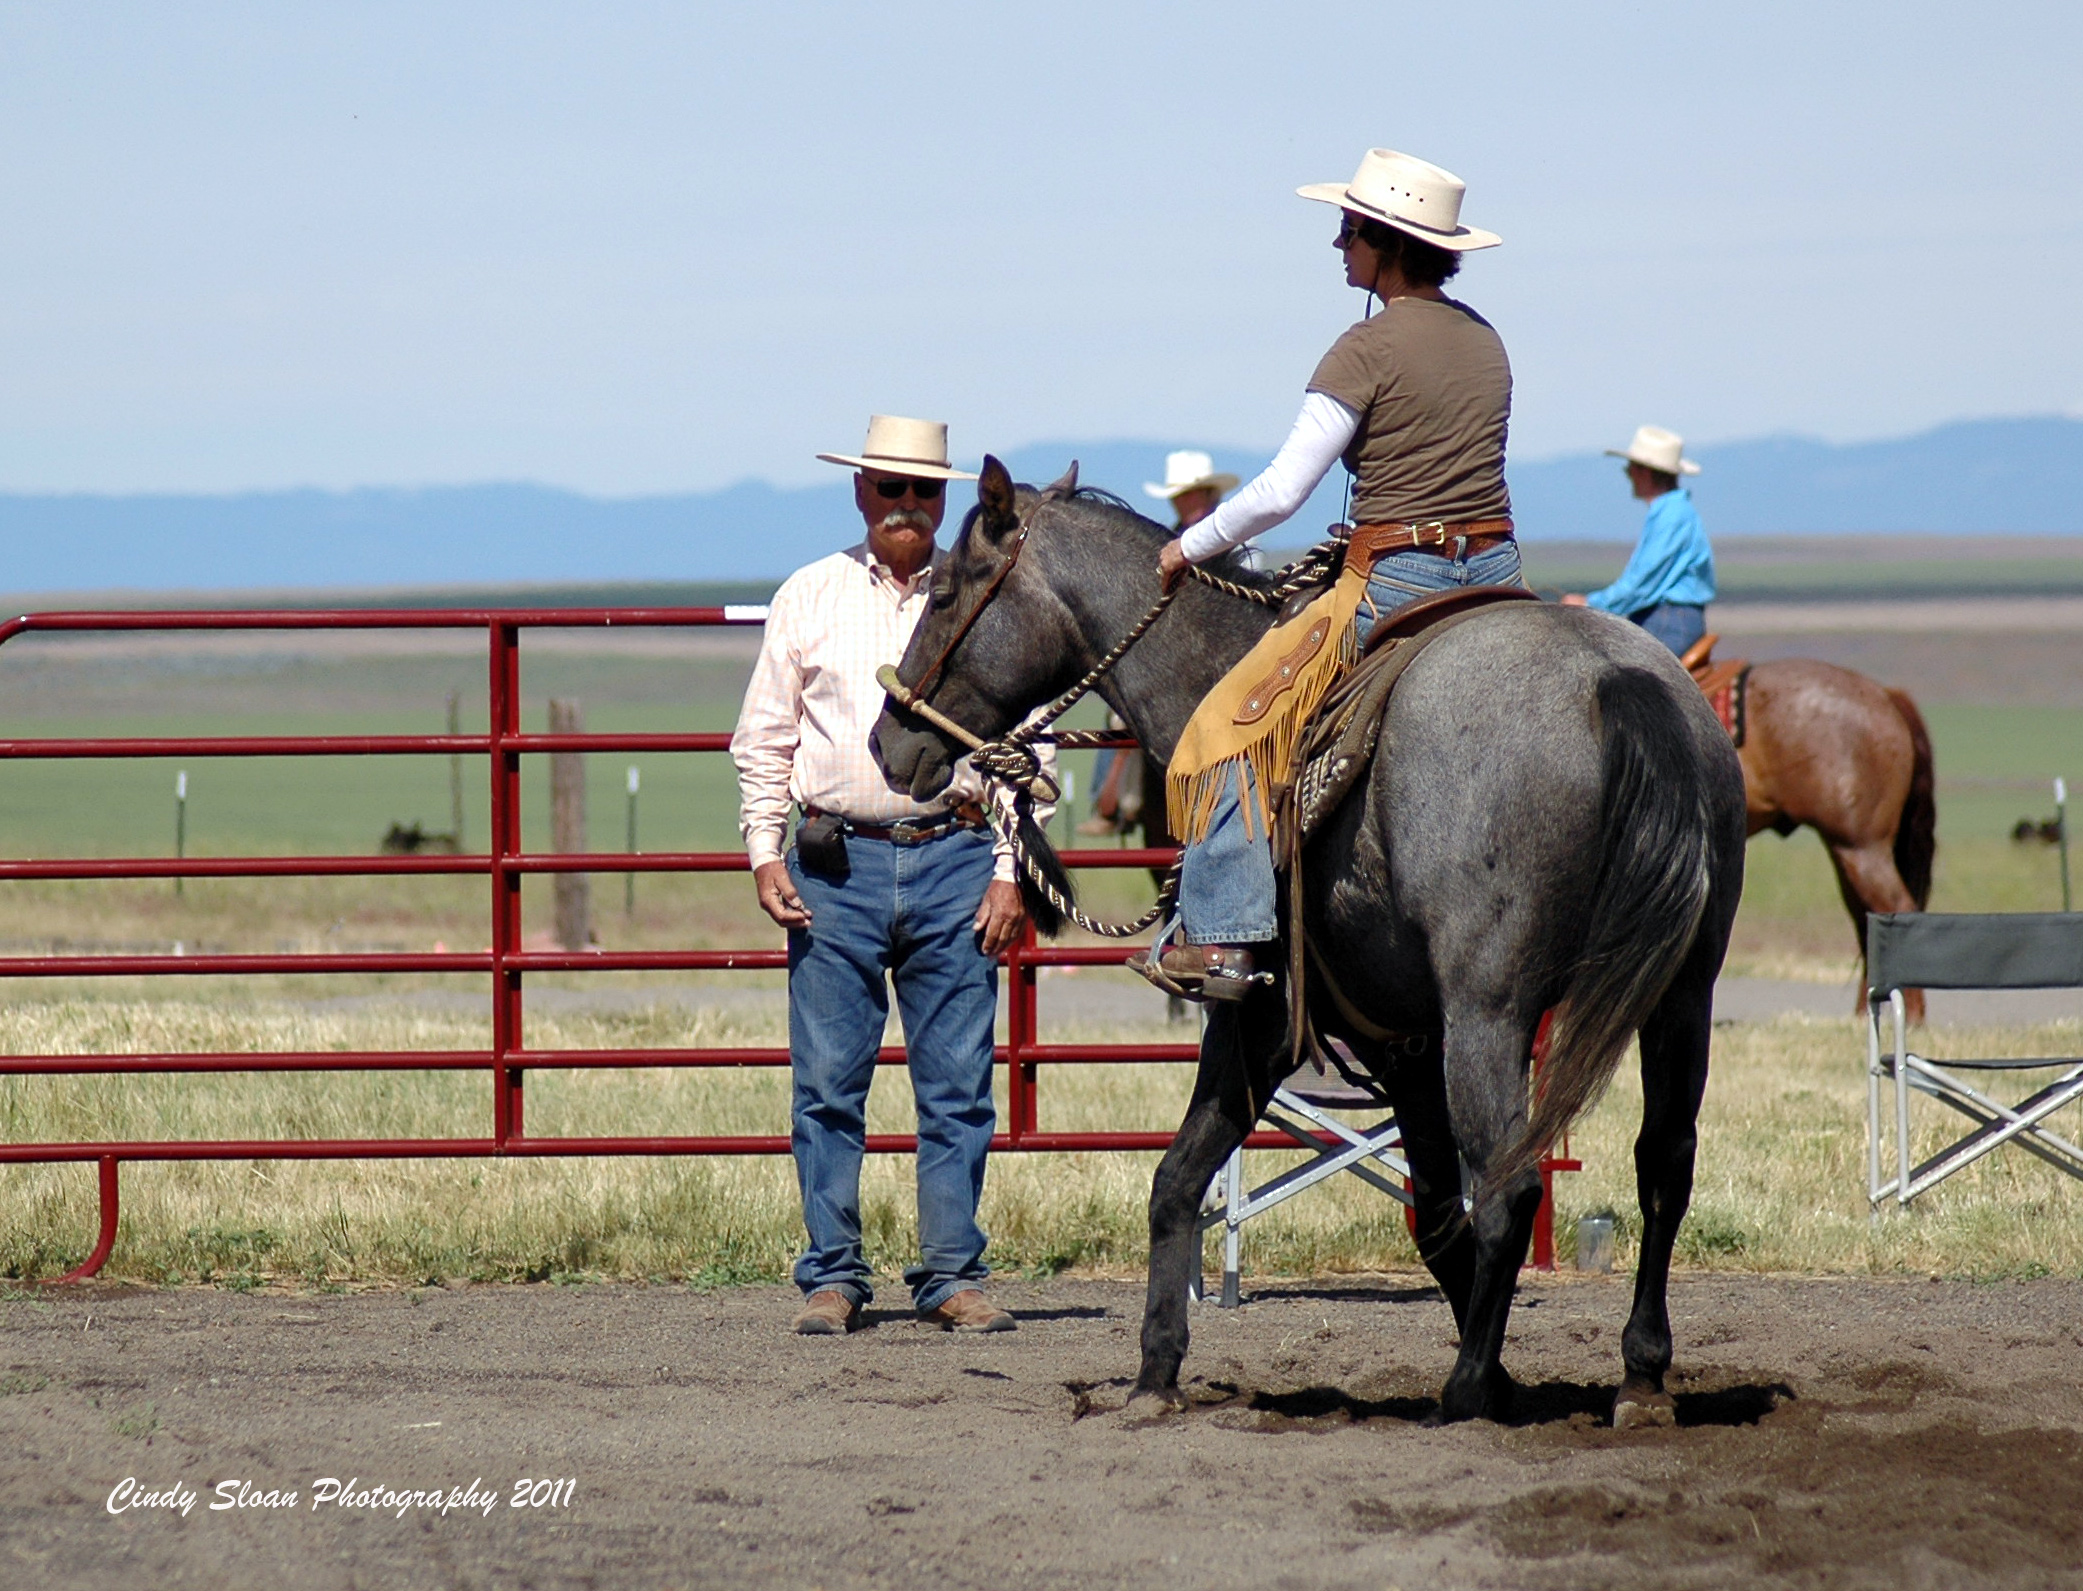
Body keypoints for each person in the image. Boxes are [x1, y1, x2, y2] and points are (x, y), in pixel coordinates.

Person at [1135, 147, 1516, 1001]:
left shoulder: (1365, 346)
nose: (1337, 246)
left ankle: (1226, 941)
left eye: (1347, 230)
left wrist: (1184, 547)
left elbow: (1279, 492)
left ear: (1384, 243)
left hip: (1397, 578)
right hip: (1495, 569)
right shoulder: (1486, 341)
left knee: (1233, 723)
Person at [731, 413, 1049, 1336]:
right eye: (890, 487)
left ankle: (951, 1273)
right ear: (861, 492)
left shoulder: (987, 599)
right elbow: (765, 737)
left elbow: (1028, 746)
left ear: (944, 499)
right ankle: (831, 1275)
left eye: (923, 490)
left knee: (956, 1083)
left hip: (955, 854)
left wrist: (1007, 866)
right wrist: (763, 849)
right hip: (835, 861)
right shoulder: (810, 596)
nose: (906, 505)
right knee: (829, 1082)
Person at [1080, 452, 1241, 837]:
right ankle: (1116, 801)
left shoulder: (1234, 540)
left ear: (1206, 494)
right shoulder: (1168, 542)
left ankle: (1115, 802)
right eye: (1180, 496)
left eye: (1190, 495)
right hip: (1174, 652)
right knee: (1123, 708)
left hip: (1229, 652)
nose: (1184, 503)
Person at [1560, 425, 1715, 655]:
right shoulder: (1672, 511)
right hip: (1668, 617)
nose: (1628, 475)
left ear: (1645, 472)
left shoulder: (1671, 516)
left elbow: (1642, 582)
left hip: (1669, 620)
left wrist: (1589, 604)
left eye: (1629, 469)